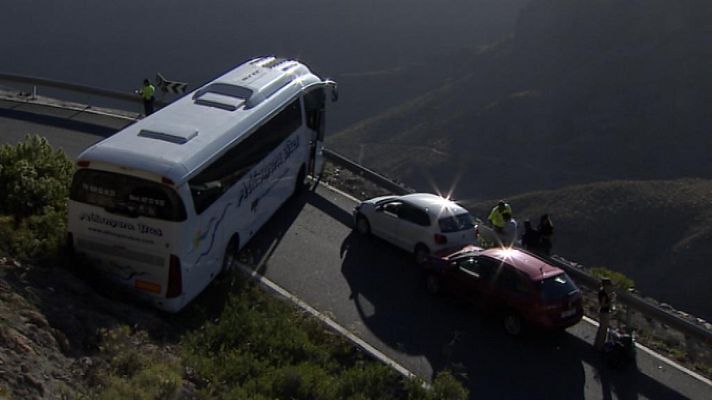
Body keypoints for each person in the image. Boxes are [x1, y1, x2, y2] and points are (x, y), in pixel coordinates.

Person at [594, 278, 615, 350]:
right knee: (603, 331)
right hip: (604, 313)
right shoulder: (603, 294)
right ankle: (599, 346)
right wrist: (611, 300)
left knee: (602, 330)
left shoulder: (602, 292)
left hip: (603, 312)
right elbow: (603, 305)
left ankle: (598, 345)